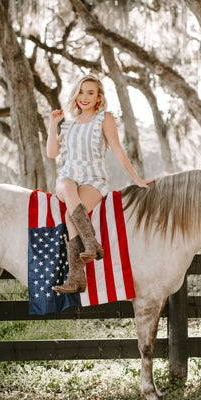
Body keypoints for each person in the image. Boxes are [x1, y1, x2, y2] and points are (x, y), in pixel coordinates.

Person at [47, 73, 153, 294]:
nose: (85, 97)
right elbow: (51, 153)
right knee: (67, 187)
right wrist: (53, 124)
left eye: (91, 93)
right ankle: (91, 243)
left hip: (93, 180)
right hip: (67, 177)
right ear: (76, 95)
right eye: (81, 92)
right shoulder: (69, 125)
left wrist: (137, 179)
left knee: (70, 216)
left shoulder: (104, 119)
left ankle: (76, 279)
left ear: (98, 98)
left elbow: (116, 150)